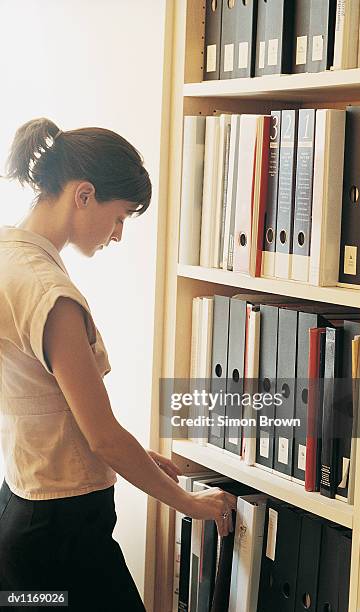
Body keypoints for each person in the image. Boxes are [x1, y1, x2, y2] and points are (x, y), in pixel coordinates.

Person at [0, 118, 237, 611]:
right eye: (120, 216)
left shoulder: (8, 259)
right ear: (83, 195)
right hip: (65, 533)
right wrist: (190, 505)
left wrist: (141, 459)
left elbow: (53, 408)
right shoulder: (51, 293)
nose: (119, 235)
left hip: (20, 510)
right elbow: (101, 436)